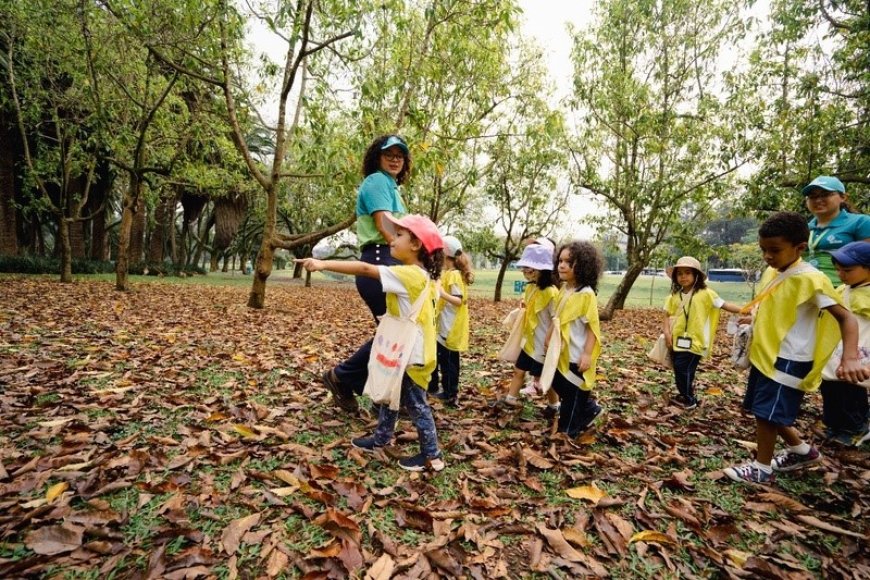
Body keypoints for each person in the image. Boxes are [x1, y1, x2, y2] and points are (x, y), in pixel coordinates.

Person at [722, 212, 869, 485]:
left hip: (790, 359)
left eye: (775, 250)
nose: (767, 256)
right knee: (764, 408)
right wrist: (753, 318)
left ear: (800, 247)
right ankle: (802, 451)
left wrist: (850, 357)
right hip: (767, 354)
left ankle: (761, 468)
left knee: (767, 414)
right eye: (763, 249)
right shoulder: (773, 272)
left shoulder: (812, 280)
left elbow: (846, 318)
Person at [297, 214, 446, 472]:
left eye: (399, 235)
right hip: (407, 349)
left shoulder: (410, 274)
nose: (391, 239)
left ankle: (432, 455)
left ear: (416, 245)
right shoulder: (423, 276)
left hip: (411, 353)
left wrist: (322, 264)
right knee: (391, 397)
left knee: (416, 403)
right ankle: (381, 439)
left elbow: (366, 269)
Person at [321, 135, 411, 414]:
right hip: (379, 259)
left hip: (388, 259)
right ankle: (342, 377)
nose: (395, 159)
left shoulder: (391, 186)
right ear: (377, 157)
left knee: (395, 333)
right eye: (389, 154)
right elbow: (385, 226)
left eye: (400, 155)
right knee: (397, 332)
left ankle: (375, 395)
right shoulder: (376, 182)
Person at [663, 257, 741, 410]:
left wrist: (745, 310)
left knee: (682, 368)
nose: (683, 277)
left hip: (696, 341)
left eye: (687, 273)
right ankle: (685, 393)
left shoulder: (707, 294)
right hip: (676, 340)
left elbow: (725, 305)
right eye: (679, 274)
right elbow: (666, 316)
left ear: (696, 275)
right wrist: (667, 334)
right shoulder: (673, 296)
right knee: (682, 370)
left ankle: (689, 399)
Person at [547, 241, 606, 438]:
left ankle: (568, 430)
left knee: (571, 398)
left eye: (568, 262)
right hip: (561, 352)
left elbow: (592, 327)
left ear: (583, 265)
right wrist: (549, 337)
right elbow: (557, 317)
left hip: (576, 355)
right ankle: (590, 408)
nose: (562, 265)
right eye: (560, 260)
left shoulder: (586, 294)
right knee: (557, 382)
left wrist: (587, 354)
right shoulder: (564, 289)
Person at [496, 243, 561, 419]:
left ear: (542, 269)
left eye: (530, 266)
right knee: (519, 370)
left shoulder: (552, 292)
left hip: (542, 345)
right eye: (524, 266)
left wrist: (549, 340)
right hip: (529, 342)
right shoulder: (530, 288)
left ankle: (554, 405)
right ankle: (510, 399)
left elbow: (556, 320)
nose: (525, 270)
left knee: (546, 378)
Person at [820, 241, 870, 446]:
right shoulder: (843, 289)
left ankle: (855, 428)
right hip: (836, 348)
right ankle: (834, 425)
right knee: (830, 386)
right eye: (838, 269)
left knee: (851, 390)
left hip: (859, 350)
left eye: (847, 270)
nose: (841, 274)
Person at [429, 235, 473, 408]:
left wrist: (440, 292)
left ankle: (450, 394)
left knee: (449, 361)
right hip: (445, 324)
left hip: (451, 326)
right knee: (444, 359)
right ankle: (445, 390)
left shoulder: (454, 275)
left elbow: (458, 300)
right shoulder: (449, 273)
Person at [802, 175, 870, 284]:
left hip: (844, 292)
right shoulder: (803, 228)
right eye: (812, 196)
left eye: (825, 195)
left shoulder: (861, 222)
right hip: (806, 290)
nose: (818, 200)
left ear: (843, 197)